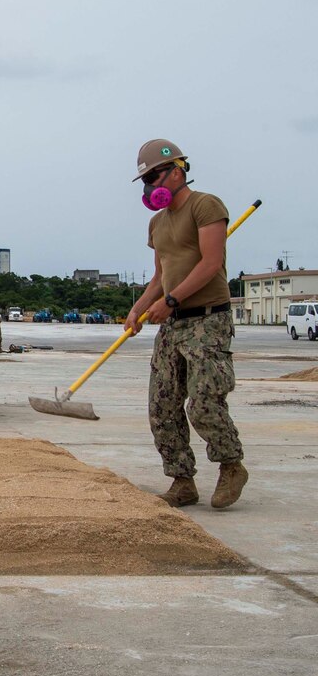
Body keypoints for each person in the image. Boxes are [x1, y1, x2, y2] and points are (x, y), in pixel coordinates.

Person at [125, 139, 246, 509]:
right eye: (145, 179)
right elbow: (160, 275)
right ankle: (182, 481)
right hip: (173, 324)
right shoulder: (156, 222)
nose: (149, 185)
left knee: (204, 403)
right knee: (162, 406)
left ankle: (231, 466)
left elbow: (211, 263)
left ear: (177, 170)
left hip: (208, 319)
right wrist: (140, 308)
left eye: (154, 175)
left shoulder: (205, 206)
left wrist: (171, 301)